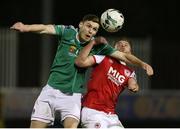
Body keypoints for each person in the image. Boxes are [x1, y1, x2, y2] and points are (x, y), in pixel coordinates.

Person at [10, 14, 153, 128]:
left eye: (94, 29)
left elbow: (124, 56)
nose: (91, 31)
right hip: (50, 90)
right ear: (80, 25)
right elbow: (45, 28)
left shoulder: (100, 47)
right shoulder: (68, 32)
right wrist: (25, 27)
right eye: (89, 26)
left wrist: (142, 64)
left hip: (72, 97)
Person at [75, 38, 153, 128]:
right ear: (113, 48)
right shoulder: (103, 58)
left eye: (126, 44)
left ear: (131, 51)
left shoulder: (130, 72)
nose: (122, 45)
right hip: (93, 111)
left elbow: (133, 83)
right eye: (119, 43)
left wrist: (134, 86)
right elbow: (81, 62)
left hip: (111, 115)